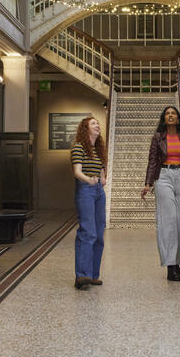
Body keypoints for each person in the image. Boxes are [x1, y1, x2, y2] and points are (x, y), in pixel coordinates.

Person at [141, 105, 180, 281]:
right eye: (167, 113)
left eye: (173, 113)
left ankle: (178, 259)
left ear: (178, 118)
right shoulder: (158, 138)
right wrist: (148, 183)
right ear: (163, 118)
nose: (170, 115)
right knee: (169, 219)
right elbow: (152, 161)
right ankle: (171, 265)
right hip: (163, 176)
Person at [70, 116, 107, 289]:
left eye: (98, 123)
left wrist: (102, 178)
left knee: (99, 234)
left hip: (99, 191)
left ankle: (93, 275)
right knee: (87, 232)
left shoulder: (98, 149)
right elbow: (77, 171)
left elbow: (100, 169)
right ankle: (82, 275)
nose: (97, 126)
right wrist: (88, 180)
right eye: (93, 124)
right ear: (85, 128)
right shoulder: (78, 147)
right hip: (85, 189)